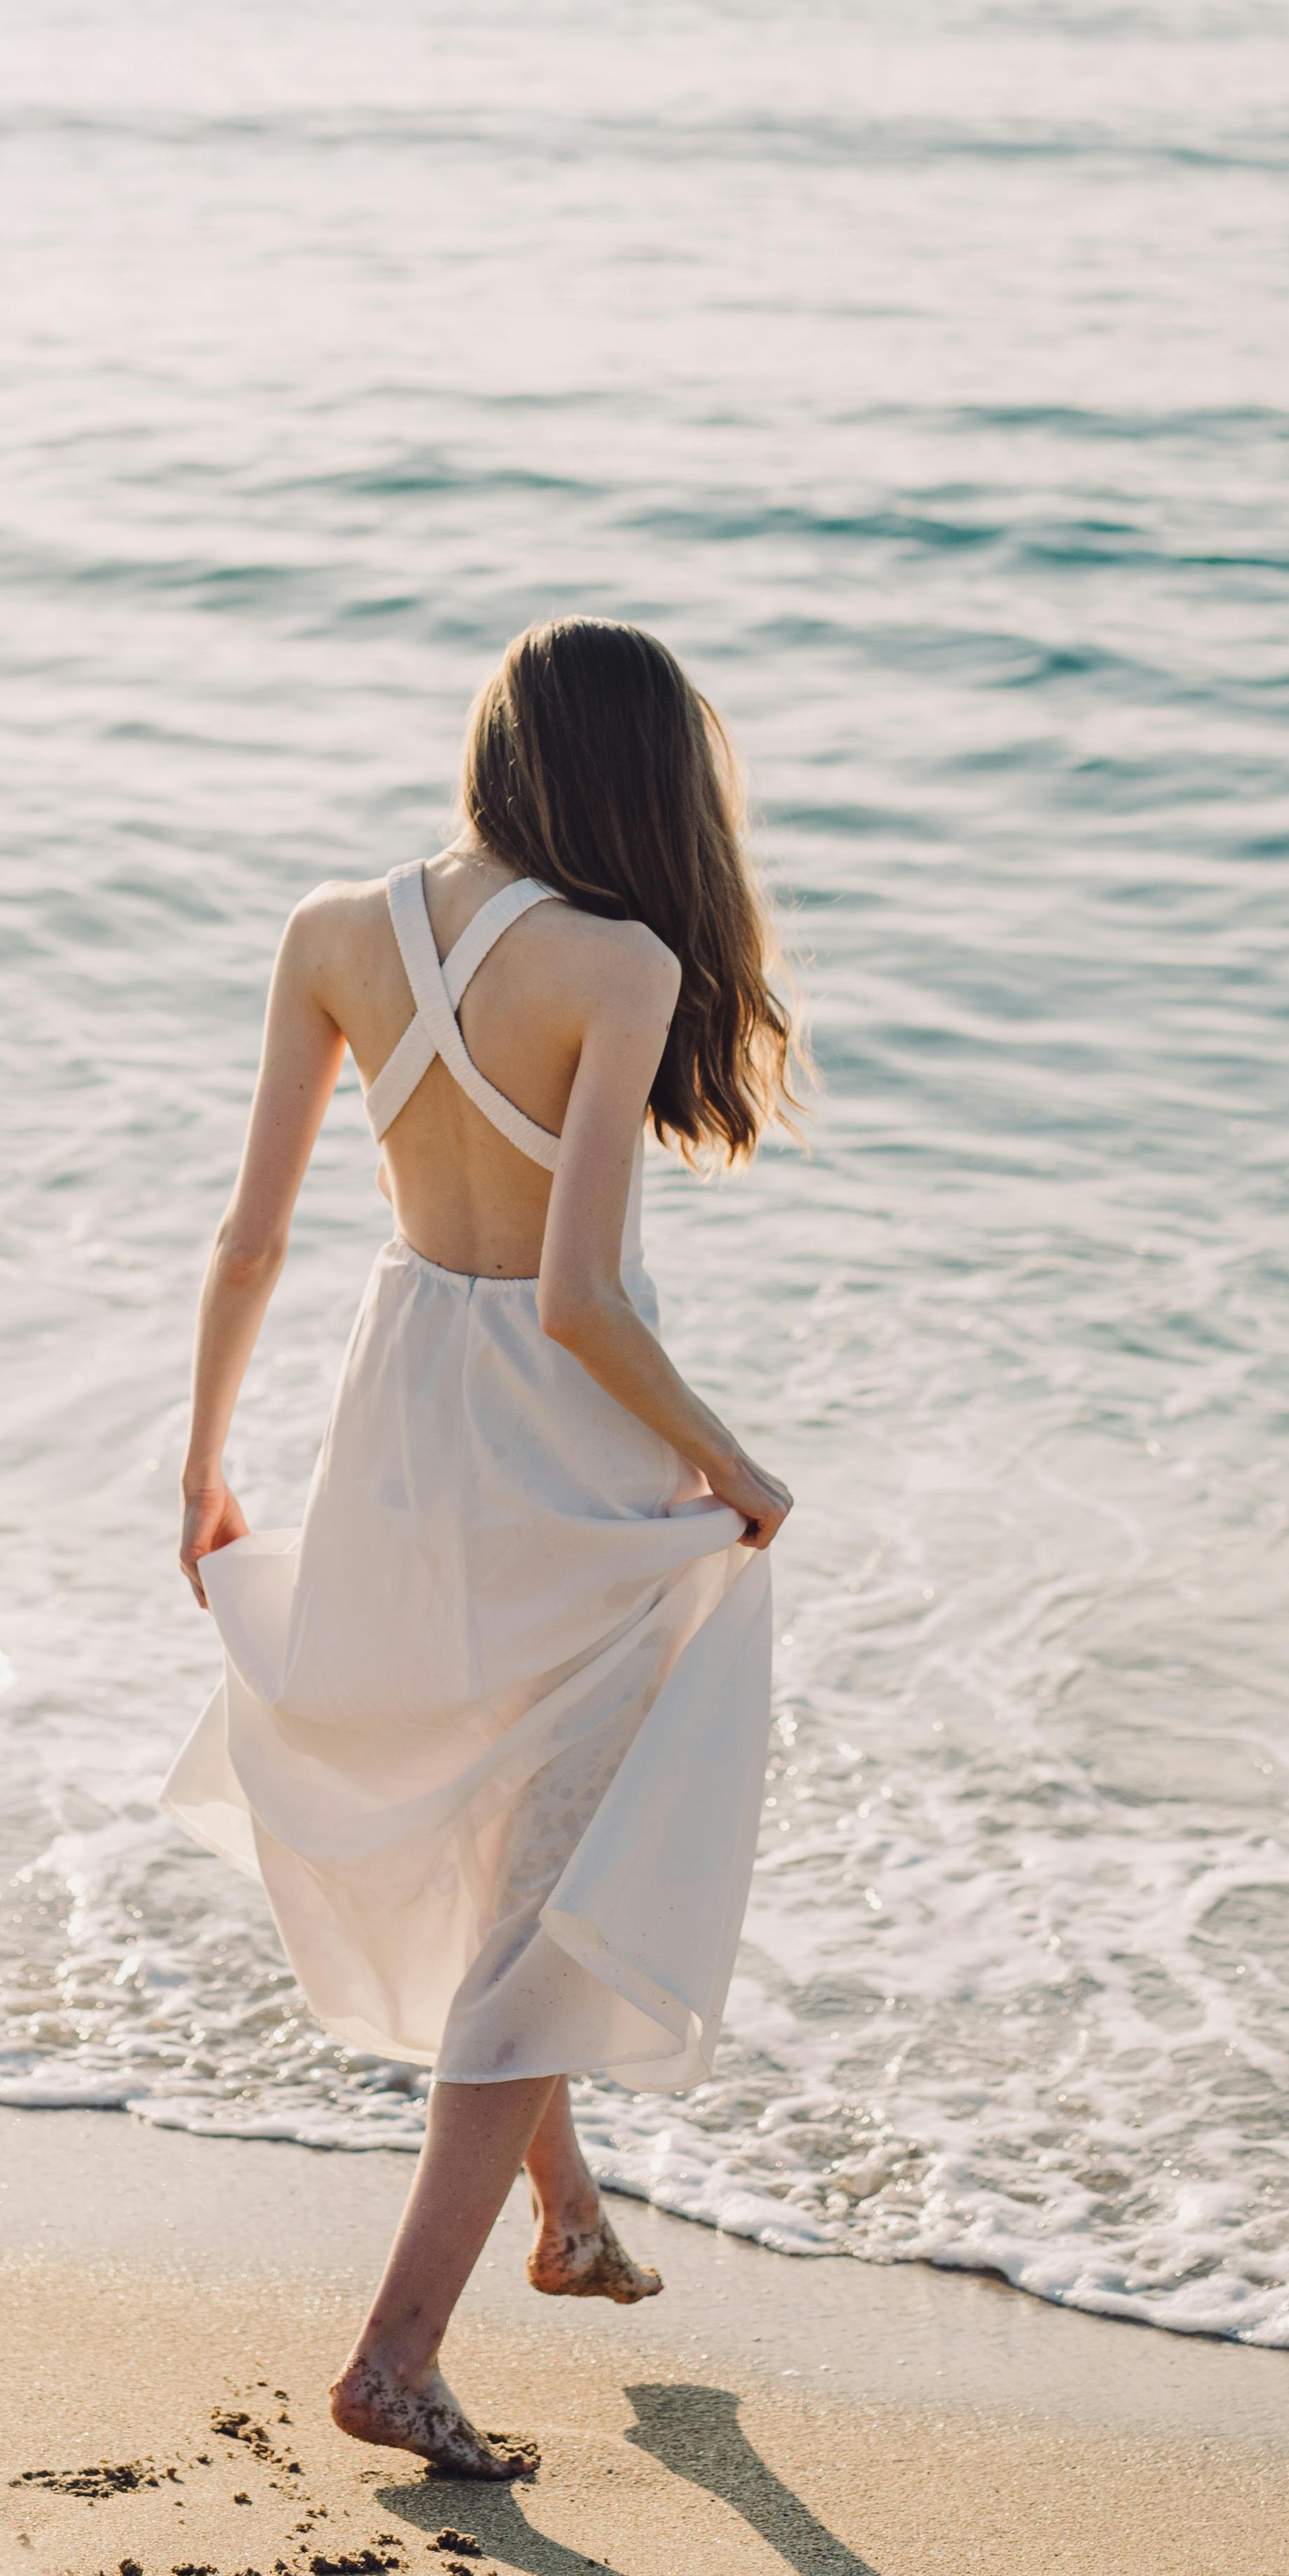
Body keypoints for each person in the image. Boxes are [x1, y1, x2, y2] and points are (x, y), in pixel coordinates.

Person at [161, 615, 801, 2477]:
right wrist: (738, 1468)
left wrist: (202, 1461)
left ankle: (573, 2213)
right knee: (544, 1879)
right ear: (642, 779)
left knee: (502, 1831)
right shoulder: (618, 959)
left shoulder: (333, 932)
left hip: (401, 1421)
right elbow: (585, 1299)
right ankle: (398, 2353)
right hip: (556, 1453)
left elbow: (252, 1238)